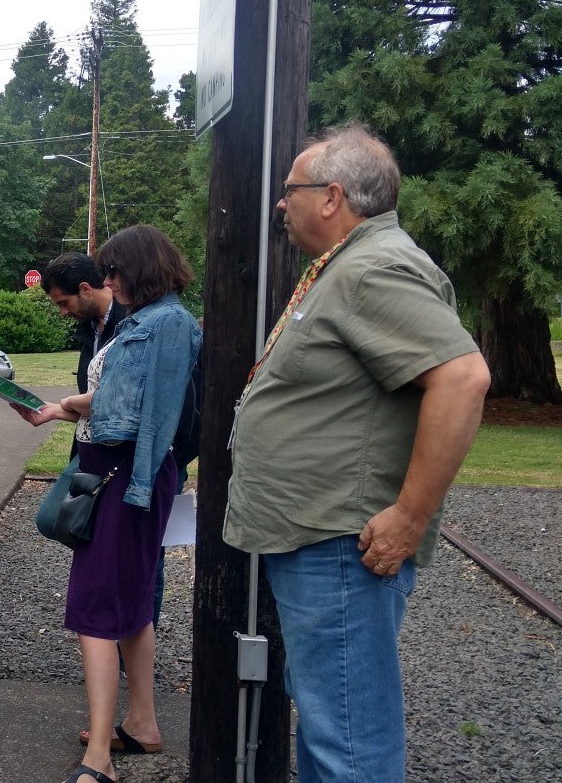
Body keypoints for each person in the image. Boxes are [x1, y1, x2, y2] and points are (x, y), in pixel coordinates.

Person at [224, 123, 490, 783]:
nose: (281, 205)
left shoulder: (374, 266)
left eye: (291, 191)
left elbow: (462, 378)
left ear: (332, 196)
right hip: (320, 538)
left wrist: (408, 516)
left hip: (340, 544)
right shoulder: (350, 265)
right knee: (327, 725)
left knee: (348, 740)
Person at [27, 226, 200, 783]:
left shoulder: (164, 323)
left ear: (139, 269)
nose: (107, 281)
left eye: (114, 271)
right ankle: (143, 724)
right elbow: (127, 402)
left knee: (95, 611)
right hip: (122, 471)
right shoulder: (157, 321)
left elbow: (134, 418)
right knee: (128, 606)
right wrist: (71, 408)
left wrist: (79, 408)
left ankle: (98, 756)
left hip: (126, 473)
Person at [40, 251, 128, 397]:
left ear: (85, 289)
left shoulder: (132, 323)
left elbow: (120, 397)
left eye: (64, 303)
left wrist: (67, 405)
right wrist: (55, 411)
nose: (63, 313)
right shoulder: (90, 328)